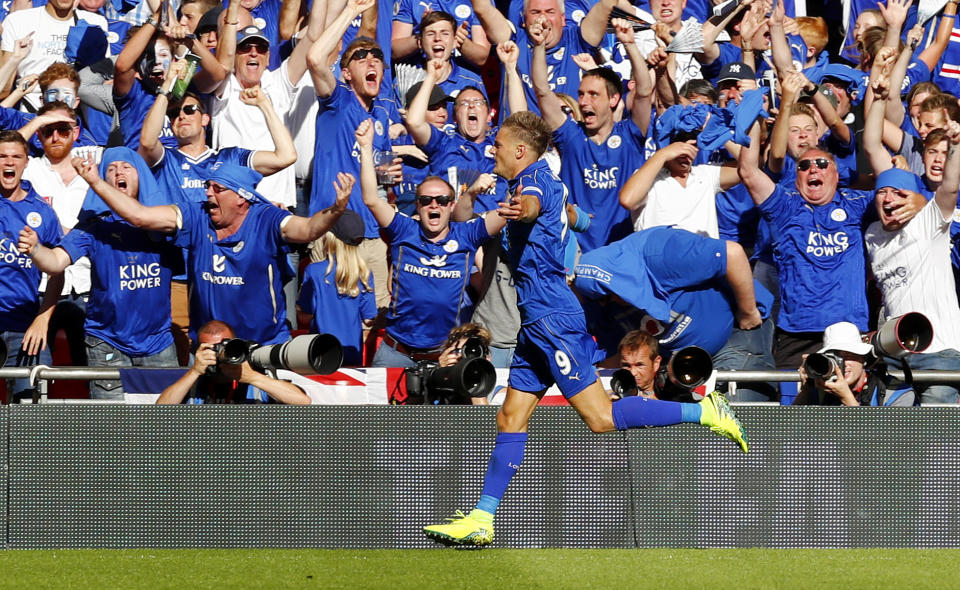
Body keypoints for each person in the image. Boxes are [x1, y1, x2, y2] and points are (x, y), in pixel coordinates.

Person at [423, 112, 748, 548]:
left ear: (520, 150)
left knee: (600, 418)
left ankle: (706, 412)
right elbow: (576, 217)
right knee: (510, 416)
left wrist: (527, 211)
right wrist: (570, 219)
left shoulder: (534, 182)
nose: (491, 149)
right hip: (534, 323)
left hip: (553, 319)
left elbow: (535, 203)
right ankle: (483, 518)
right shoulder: (529, 182)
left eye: (498, 144)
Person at [69, 156, 350, 346]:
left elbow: (310, 229)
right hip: (208, 347)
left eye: (217, 188)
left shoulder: (267, 219)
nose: (208, 194)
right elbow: (141, 216)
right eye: (207, 186)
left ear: (242, 198)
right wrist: (95, 181)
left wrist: (336, 211)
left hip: (262, 344)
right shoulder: (196, 215)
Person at [17, 148, 181, 399]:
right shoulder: (94, 226)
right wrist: (36, 249)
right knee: (110, 431)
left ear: (142, 176)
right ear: (103, 180)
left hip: (157, 344)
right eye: (111, 169)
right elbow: (56, 263)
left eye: (126, 167)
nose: (118, 172)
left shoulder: (165, 222)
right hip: (106, 342)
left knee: (161, 432)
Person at [355, 119, 502, 368]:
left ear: (452, 205)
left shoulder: (466, 234)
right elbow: (371, 199)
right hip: (396, 353)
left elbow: (508, 213)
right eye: (426, 200)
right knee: (379, 409)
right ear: (418, 205)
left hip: (446, 356)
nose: (434, 205)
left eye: (442, 200)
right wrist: (367, 148)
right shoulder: (404, 229)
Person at [532, 17, 653, 252]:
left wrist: (630, 44)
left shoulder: (630, 134)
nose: (584, 101)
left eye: (593, 95)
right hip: (575, 251)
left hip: (621, 250)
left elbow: (644, 92)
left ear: (613, 100)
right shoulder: (571, 136)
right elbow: (542, 91)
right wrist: (539, 47)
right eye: (581, 94)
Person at [864, 146, 960, 404]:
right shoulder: (872, 234)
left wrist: (956, 146)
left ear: (914, 197)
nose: (889, 198)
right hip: (896, 353)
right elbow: (869, 144)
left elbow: (950, 187)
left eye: (898, 192)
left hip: (940, 352)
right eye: (882, 192)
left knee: (937, 438)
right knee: (895, 438)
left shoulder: (928, 222)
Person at [0, 130, 63, 397]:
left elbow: (56, 273)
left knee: (34, 417)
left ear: (27, 162)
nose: (8, 162)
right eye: (1, 156)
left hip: (23, 327)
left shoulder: (43, 212)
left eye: (16, 156)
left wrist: (42, 319)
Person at [156, 320, 311, 404]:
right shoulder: (195, 381)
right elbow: (160, 412)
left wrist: (252, 377)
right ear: (198, 351)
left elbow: (302, 401)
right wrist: (194, 372)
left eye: (225, 346)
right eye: (212, 348)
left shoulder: (254, 377)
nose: (219, 354)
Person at [297, 210, 376, 367]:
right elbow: (369, 318)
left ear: (329, 237)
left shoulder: (314, 271)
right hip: (352, 352)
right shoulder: (364, 274)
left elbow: (305, 317)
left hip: (319, 353)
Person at [793, 321, 915, 407]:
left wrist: (847, 399)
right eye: (834, 358)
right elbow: (787, 434)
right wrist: (805, 391)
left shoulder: (895, 392)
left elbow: (887, 442)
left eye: (849, 356)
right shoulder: (819, 389)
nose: (842, 364)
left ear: (864, 359)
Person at [615, 330, 661, 399]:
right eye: (626, 365)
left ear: (655, 363)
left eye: (640, 365)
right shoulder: (613, 396)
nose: (633, 373)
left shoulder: (673, 394)